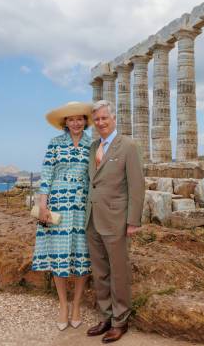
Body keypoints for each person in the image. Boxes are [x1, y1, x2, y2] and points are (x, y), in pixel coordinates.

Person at [85, 100, 145, 343]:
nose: (100, 123)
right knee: (100, 272)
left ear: (114, 119)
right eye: (97, 119)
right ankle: (106, 316)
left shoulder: (128, 146)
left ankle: (121, 321)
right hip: (93, 219)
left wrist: (133, 221)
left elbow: (137, 185)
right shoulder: (92, 148)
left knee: (118, 272)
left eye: (104, 118)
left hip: (116, 219)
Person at [31, 101, 93, 331]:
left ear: (85, 121)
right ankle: (63, 306)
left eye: (79, 118)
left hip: (82, 206)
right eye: (71, 119)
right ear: (65, 122)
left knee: (81, 256)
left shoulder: (92, 144)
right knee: (59, 255)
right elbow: (46, 174)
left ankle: (77, 305)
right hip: (58, 204)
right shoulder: (55, 143)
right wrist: (43, 206)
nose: (76, 123)